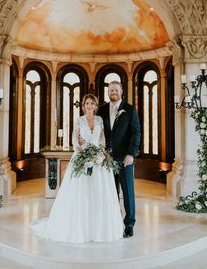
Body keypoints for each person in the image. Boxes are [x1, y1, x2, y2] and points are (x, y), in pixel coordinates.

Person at [30, 94, 123, 243]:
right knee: (80, 192)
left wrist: (100, 151)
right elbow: (74, 138)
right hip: (81, 156)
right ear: (83, 105)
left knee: (99, 192)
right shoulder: (79, 120)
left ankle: (99, 228)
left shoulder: (99, 120)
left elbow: (102, 139)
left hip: (98, 159)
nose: (90, 106)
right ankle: (79, 228)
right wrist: (80, 149)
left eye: (92, 103)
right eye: (87, 103)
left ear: (96, 106)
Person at [97, 81, 141, 238]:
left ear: (121, 91)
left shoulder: (129, 110)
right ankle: (114, 220)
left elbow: (136, 134)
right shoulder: (101, 110)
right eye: (110, 90)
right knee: (111, 192)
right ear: (107, 92)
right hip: (107, 159)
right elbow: (99, 133)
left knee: (128, 192)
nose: (113, 92)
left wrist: (131, 154)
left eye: (116, 89)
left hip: (125, 159)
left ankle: (129, 224)